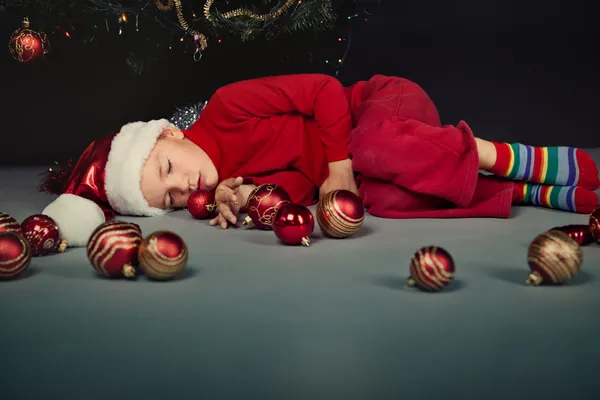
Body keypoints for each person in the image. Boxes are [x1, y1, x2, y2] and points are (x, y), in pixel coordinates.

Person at [40, 74, 600, 247]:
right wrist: (259, 199)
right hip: (384, 166)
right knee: (380, 198)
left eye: (168, 170)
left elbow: (326, 93)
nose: (185, 188)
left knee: (371, 151)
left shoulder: (226, 107)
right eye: (169, 199)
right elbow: (303, 193)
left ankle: (514, 159)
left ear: (169, 133)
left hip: (382, 110)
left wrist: (337, 167)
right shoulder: (227, 187)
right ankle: (531, 192)